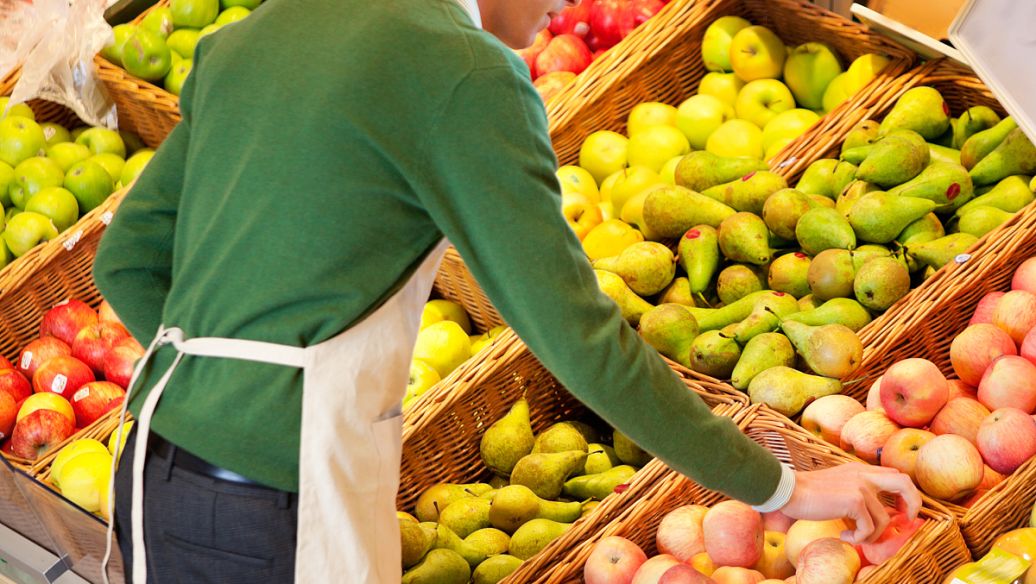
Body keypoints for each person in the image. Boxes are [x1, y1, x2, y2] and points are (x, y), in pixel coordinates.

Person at [92, 0, 922, 581]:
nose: (567, 7)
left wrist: (219, 396)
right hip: (275, 507)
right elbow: (577, 336)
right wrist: (782, 483)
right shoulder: (461, 72)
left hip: (156, 468)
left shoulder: (263, 30)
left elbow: (124, 261)